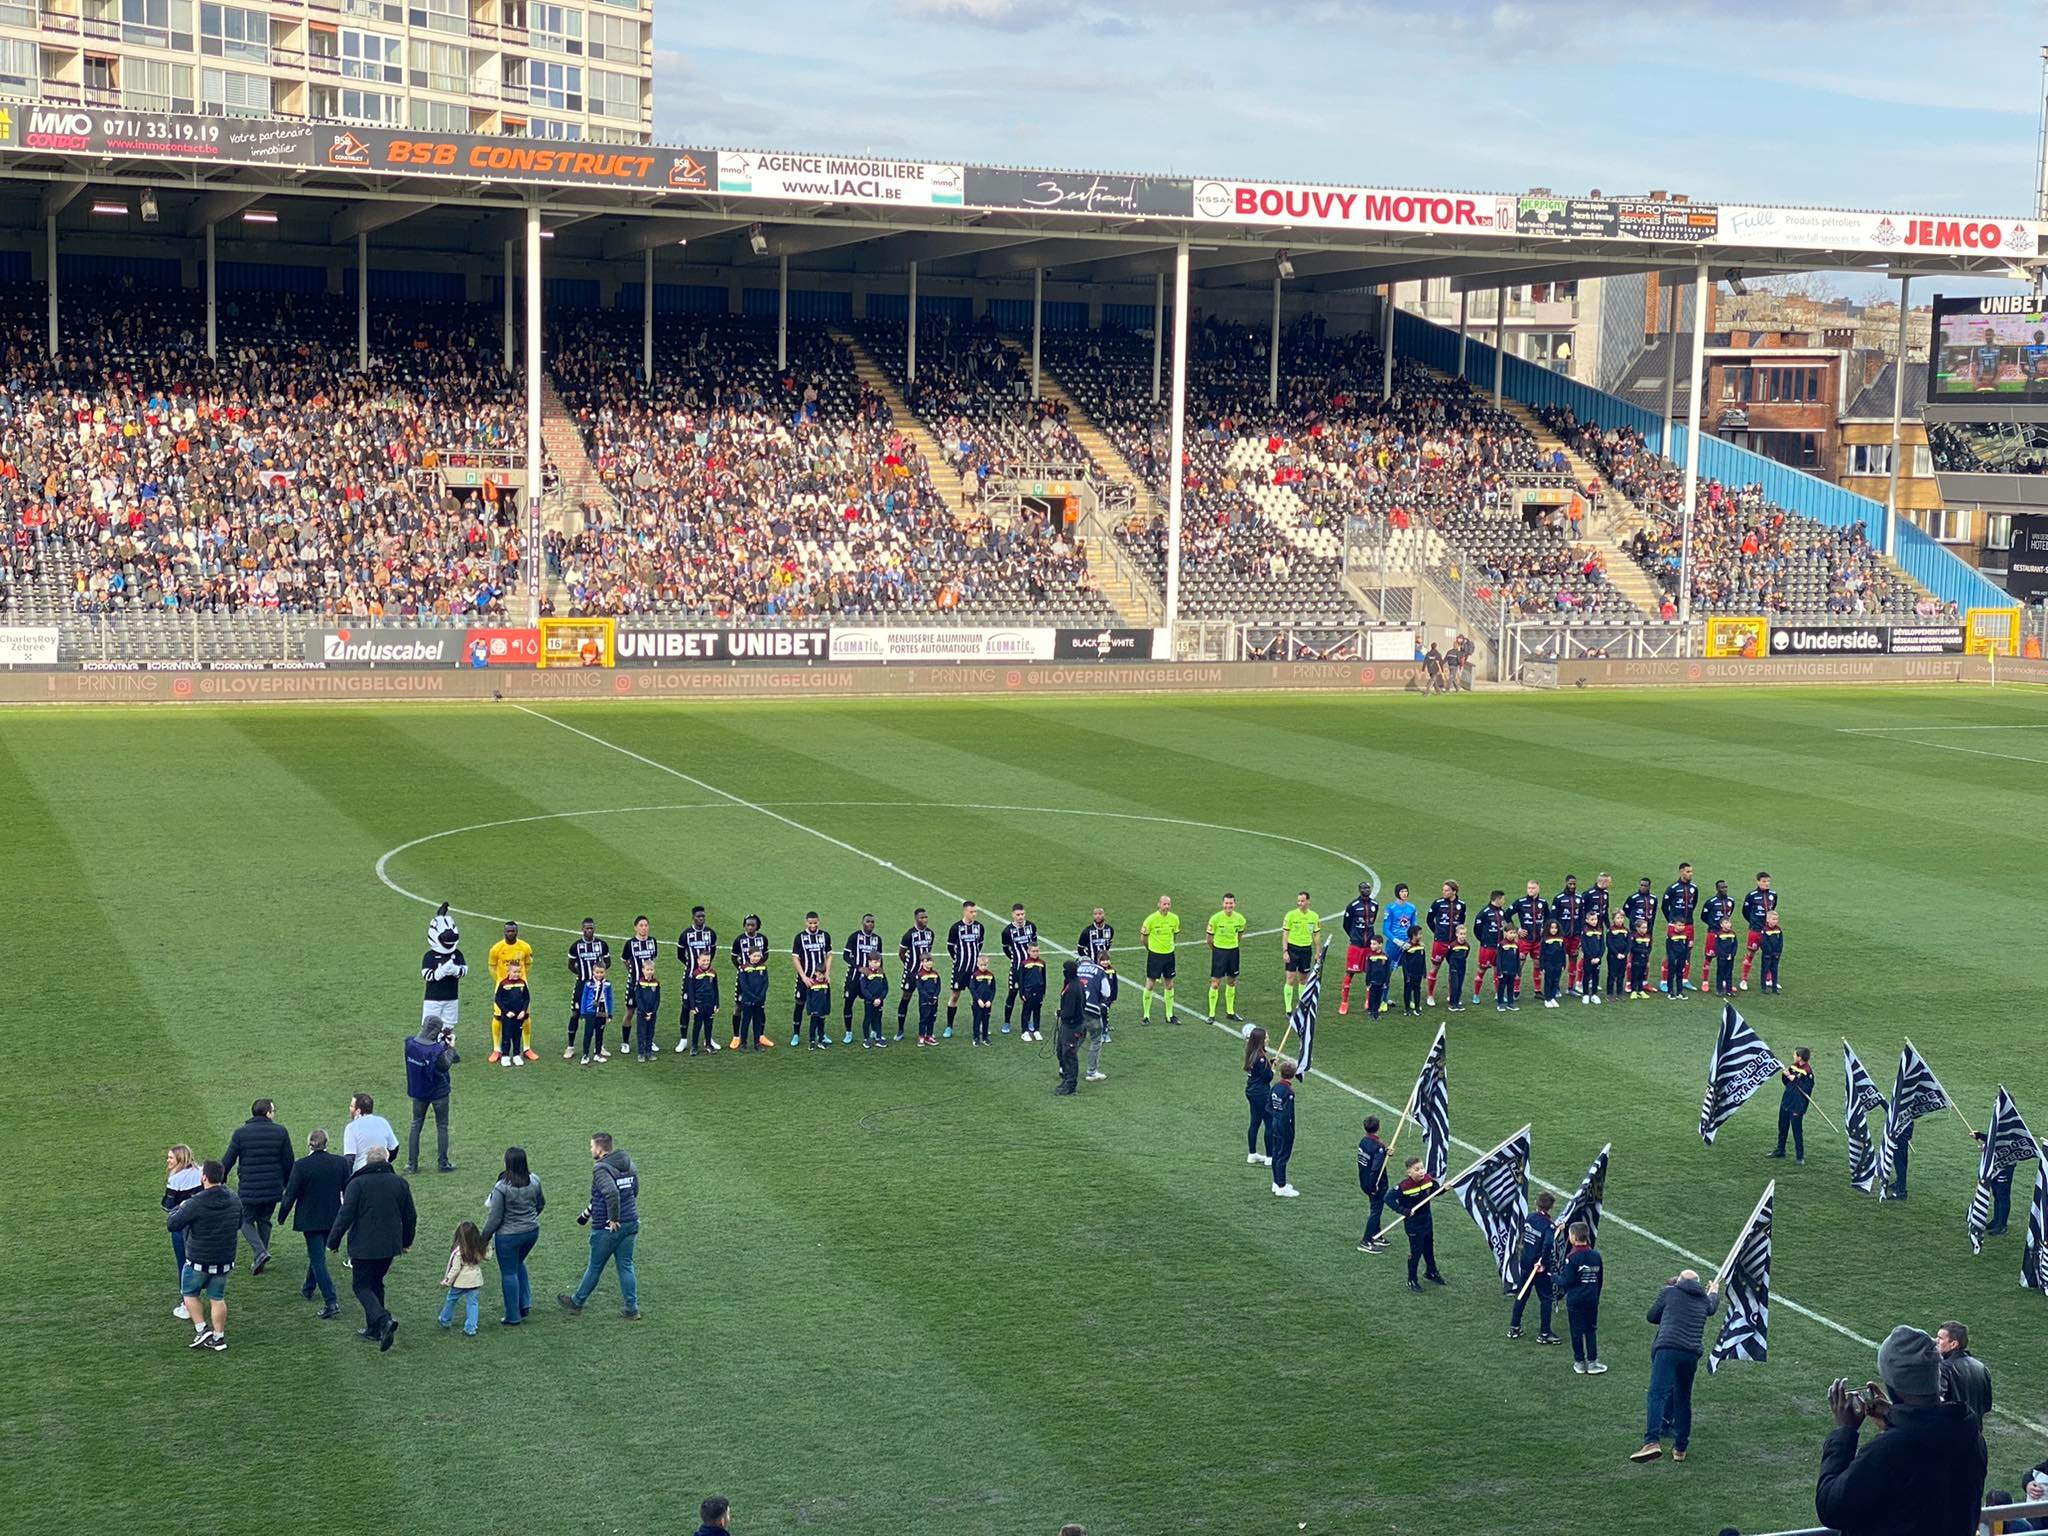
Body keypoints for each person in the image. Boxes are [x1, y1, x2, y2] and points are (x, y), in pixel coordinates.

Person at [1817, 1326, 1988, 1534]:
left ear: (1892, 1382)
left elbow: (1831, 1508)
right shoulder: (1968, 1433)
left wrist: (1845, 1432)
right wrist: (1896, 1418)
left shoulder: (1890, 1449)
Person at [326, 1142, 417, 1351]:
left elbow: (345, 1215)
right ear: (386, 1160)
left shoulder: (357, 1185)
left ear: (367, 1161)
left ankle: (383, 1319)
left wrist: (333, 1241)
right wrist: (406, 1242)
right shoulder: (399, 1183)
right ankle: (374, 1329)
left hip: (363, 1246)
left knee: (361, 1286)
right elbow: (410, 1216)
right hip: (389, 1247)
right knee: (377, 1282)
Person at [1631, 1269, 1721, 1463]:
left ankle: (1651, 1441)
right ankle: (1680, 1448)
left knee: (1657, 1394)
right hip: (1690, 1354)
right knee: (1683, 1398)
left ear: (1678, 1281)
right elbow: (1712, 1307)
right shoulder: (1704, 1300)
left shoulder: (1669, 1292)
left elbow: (1652, 1316)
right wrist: (1714, 1291)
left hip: (1667, 1348)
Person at [559, 1133, 641, 1320]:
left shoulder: (601, 1169)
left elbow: (611, 1193)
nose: (590, 1150)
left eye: (591, 1147)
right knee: (626, 1266)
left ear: (600, 1149)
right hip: (631, 1222)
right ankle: (632, 1308)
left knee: (595, 1266)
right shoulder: (628, 1162)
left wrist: (613, 1218)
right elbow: (634, 1189)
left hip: (609, 1227)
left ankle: (577, 1302)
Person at [168, 1159, 241, 1352]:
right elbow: (239, 1223)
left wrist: (181, 1206)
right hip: (225, 1258)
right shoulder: (234, 1199)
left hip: (199, 1259)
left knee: (189, 1293)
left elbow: (173, 1224)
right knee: (217, 1297)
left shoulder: (196, 1202)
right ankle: (219, 1337)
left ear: (204, 1177)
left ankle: (202, 1329)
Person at [276, 1128, 347, 1319]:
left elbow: (291, 1193)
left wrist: (282, 1215)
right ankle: (308, 1288)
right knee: (317, 1254)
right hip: (333, 1218)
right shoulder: (340, 1163)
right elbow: (347, 1189)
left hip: (310, 1220)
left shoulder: (301, 1165)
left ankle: (330, 1301)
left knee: (317, 1259)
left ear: (309, 1144)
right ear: (327, 1143)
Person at [220, 1098, 294, 1275]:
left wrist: (219, 1180)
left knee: (244, 1220)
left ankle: (260, 1253)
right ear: (268, 1113)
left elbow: (228, 1160)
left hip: (249, 1188)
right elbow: (288, 1161)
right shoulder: (280, 1132)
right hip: (273, 1188)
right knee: (264, 1220)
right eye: (273, 1111)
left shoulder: (241, 1133)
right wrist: (287, 1184)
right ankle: (260, 1256)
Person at [480, 1146, 545, 1326]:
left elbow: (495, 1218)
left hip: (508, 1237)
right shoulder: (534, 1181)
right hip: (531, 1232)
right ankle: (524, 1303)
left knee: (509, 1272)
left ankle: (512, 1315)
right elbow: (541, 1204)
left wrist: (483, 1238)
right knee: (518, 1263)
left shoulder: (501, 1188)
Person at [404, 1018, 459, 1173]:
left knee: (416, 1125)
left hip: (418, 1090)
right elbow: (444, 1066)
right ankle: (443, 1163)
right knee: (442, 1126)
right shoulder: (435, 1050)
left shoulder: (409, 1044)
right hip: (438, 1092)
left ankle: (411, 1164)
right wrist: (451, 1048)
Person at [1509, 1191, 1560, 1344]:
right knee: (1546, 1298)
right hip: (1539, 1268)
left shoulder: (1530, 1218)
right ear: (1551, 1207)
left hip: (1525, 1262)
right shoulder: (1548, 1226)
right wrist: (1543, 1263)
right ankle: (1544, 1333)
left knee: (1522, 1294)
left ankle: (1514, 1327)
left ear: (1536, 1203)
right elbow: (1548, 1244)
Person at [1390, 1157, 1444, 1290]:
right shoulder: (1403, 1186)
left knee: (1429, 1248)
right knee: (1416, 1252)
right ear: (1409, 1172)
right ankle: (1411, 1279)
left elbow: (1436, 1191)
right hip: (1414, 1224)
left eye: (1422, 1168)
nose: (1421, 1172)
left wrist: (1445, 1188)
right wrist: (1403, 1210)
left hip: (1427, 1220)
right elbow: (1388, 1199)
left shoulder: (1428, 1180)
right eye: (1417, 1169)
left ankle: (1431, 1272)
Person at [1560, 1220, 1607, 1374]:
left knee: (1576, 1331)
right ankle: (1593, 1362)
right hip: (1591, 1299)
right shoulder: (1595, 1255)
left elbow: (1567, 1281)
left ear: (1573, 1237)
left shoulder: (1572, 1258)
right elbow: (1600, 1279)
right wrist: (1596, 1295)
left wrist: (1553, 1276)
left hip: (1575, 1300)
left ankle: (1580, 1362)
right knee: (1590, 1330)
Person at [488, 919, 538, 1061]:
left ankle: (527, 1048)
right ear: (504, 932)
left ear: (517, 931)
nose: (510, 933)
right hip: (503, 987)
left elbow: (528, 964)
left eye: (513, 931)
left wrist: (520, 978)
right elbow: (492, 966)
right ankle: (497, 1049)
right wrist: (500, 980)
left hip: (521, 987)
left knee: (525, 1016)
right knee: (498, 1016)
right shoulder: (496, 949)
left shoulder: (525, 947)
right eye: (508, 931)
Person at [565, 917, 611, 1060]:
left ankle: (599, 1046)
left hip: (598, 987)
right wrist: (582, 975)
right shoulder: (576, 946)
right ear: (582, 929)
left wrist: (599, 975)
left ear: (594, 928)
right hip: (582, 985)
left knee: (600, 1014)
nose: (589, 930)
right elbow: (570, 964)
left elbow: (607, 962)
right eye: (586, 928)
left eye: (591, 928)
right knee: (575, 1014)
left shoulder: (602, 945)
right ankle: (570, 1046)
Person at [163, 1145, 202, 1309]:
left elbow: (168, 1205)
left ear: (180, 1159)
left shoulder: (175, 1179)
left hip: (181, 1225)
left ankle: (187, 1303)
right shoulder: (201, 1171)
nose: (168, 1160)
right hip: (200, 1224)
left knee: (183, 1263)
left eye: (171, 1157)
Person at [421, 901, 467, 1036]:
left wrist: (455, 970)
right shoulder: (430, 955)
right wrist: (440, 972)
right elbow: (426, 975)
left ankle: (446, 1050)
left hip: (451, 996)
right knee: (430, 1025)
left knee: (448, 1026)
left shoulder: (457, 954)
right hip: (433, 997)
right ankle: (430, 1050)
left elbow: (464, 970)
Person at [792, 911, 834, 1049]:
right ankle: (796, 1034)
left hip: (821, 979)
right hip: (805, 979)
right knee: (800, 1003)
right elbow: (795, 958)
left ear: (819, 922)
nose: (813, 925)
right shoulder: (800, 937)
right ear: (806, 922)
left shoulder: (825, 936)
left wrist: (827, 973)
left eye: (815, 923)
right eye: (810, 923)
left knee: (821, 1006)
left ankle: (821, 1035)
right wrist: (803, 977)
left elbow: (829, 955)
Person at [1937, 1321, 1994, 1420]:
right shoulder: (1981, 1367)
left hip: (1950, 1431)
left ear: (1953, 1344)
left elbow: (1937, 1403)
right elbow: (1987, 1405)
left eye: (1940, 1338)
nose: (1936, 1341)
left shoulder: (1943, 1368)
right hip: (1975, 1431)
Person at [944, 901, 984, 1040]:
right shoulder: (956, 928)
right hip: (960, 969)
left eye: (975, 911)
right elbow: (950, 946)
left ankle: (978, 1025)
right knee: (955, 996)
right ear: (965, 912)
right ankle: (949, 1026)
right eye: (971, 912)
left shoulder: (979, 927)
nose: (974, 914)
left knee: (976, 997)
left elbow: (980, 944)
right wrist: (957, 959)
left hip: (975, 970)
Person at [438, 1221, 486, 1337]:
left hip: (460, 1283)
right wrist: (487, 1245)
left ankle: (445, 1319)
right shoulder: (479, 1248)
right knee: (473, 1303)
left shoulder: (458, 1252)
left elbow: (454, 1269)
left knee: (451, 1299)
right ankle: (471, 1328)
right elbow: (488, 1256)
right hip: (475, 1281)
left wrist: (446, 1281)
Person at [731, 915, 771, 1050]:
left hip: (758, 976)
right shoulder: (739, 940)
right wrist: (744, 969)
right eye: (747, 925)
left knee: (760, 1009)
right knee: (738, 1007)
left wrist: (757, 967)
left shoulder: (763, 939)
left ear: (757, 926)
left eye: (752, 925)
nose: (749, 927)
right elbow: (733, 957)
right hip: (744, 977)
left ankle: (760, 1036)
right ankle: (737, 1037)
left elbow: (766, 955)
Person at [841, 913, 882, 1045]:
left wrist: (881, 974)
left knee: (873, 1004)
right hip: (854, 977)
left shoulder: (877, 939)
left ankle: (874, 1030)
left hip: (871, 980)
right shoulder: (854, 937)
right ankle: (848, 1032)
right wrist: (859, 968)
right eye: (868, 921)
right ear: (862, 923)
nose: (870, 924)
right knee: (848, 1003)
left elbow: (879, 959)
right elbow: (846, 956)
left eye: (872, 922)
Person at [1139, 894, 1180, 1024]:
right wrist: (1150, 949)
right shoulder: (1151, 919)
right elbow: (1143, 938)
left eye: (1168, 904)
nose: (1166, 906)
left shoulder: (1174, 919)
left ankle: (1169, 1015)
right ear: (1159, 904)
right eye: (1164, 904)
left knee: (1169, 984)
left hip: (1169, 955)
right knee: (1150, 984)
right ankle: (1146, 1016)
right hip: (1155, 956)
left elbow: (1174, 935)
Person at [1207, 893, 1247, 1022]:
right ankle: (1211, 1014)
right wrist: (1217, 950)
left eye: (1231, 903)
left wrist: (1233, 945)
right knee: (1215, 982)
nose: (1228, 905)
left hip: (1233, 952)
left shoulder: (1240, 919)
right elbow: (1209, 939)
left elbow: (1240, 935)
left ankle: (1230, 1011)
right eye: (1226, 903)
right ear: (1222, 904)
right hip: (1219, 952)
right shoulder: (1215, 919)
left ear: (1235, 904)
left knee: (1232, 981)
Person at [1339, 881, 1378, 1016]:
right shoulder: (1353, 906)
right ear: (1359, 890)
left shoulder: (1375, 905)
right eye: (1364, 888)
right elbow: (1346, 924)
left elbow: (1372, 923)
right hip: (1356, 945)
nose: (1366, 890)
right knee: (1350, 972)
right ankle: (1344, 1002)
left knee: (1370, 973)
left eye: (1368, 888)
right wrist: (1355, 936)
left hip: (1369, 946)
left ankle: (1368, 1000)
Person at [1424, 881, 1465, 1006]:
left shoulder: (1461, 905)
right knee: (1435, 967)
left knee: (1454, 969)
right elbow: (1429, 920)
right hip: (1440, 942)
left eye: (1447, 890)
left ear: (1454, 891)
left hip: (1454, 943)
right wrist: (1437, 932)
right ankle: (1430, 996)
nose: (1444, 892)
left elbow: (1462, 921)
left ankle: (1451, 995)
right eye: (1444, 890)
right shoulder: (1438, 904)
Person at [897, 907, 936, 1037]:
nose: (924, 920)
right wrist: (909, 966)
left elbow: (927, 952)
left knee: (924, 1000)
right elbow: (901, 953)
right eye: (921, 917)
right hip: (911, 973)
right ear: (916, 918)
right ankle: (900, 1029)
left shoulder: (930, 933)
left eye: (926, 917)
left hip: (926, 975)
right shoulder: (909, 935)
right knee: (906, 998)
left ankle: (925, 1031)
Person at [1773, 1048, 1815, 1164]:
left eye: (1795, 1054)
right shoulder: (1793, 1066)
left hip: (1797, 1105)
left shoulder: (1808, 1071)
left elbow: (1807, 1088)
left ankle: (1800, 1157)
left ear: (1800, 1057)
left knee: (1797, 1131)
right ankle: (1780, 1150)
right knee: (1782, 1127)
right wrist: (1785, 1075)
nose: (1793, 1055)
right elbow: (1787, 1083)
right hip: (1786, 1100)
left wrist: (1794, 1078)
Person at [1000, 903, 1037, 1034]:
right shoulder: (1007, 931)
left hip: (1030, 968)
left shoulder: (1031, 926)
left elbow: (1034, 944)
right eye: (1018, 915)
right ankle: (1006, 1022)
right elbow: (1005, 948)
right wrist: (1013, 958)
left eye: (1022, 914)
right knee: (1012, 994)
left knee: (1029, 996)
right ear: (1013, 915)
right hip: (1016, 968)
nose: (1020, 917)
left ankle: (1028, 1020)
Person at [1356, 1115, 1390, 1253]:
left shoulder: (1363, 1142)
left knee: (1374, 1208)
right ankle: (1367, 1240)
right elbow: (1376, 1168)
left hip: (1364, 1180)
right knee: (1376, 1210)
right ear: (1378, 1128)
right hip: (1375, 1184)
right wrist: (1374, 1185)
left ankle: (1377, 1234)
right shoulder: (1378, 1147)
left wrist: (1386, 1152)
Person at [1281, 892, 1320, 1013]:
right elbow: (1285, 935)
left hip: (1306, 950)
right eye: (1298, 901)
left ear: (1308, 901)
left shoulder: (1314, 916)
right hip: (1293, 949)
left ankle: (1301, 1005)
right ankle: (1288, 1008)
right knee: (1290, 978)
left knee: (1303, 978)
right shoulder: (1291, 915)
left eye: (1302, 901)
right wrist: (1285, 951)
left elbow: (1316, 935)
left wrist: (1318, 952)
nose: (1300, 903)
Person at [342, 1093, 399, 1173]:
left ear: (358, 1111)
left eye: (352, 1106)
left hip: (361, 1173)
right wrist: (386, 1161)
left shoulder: (351, 1127)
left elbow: (350, 1158)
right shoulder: (383, 1122)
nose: (350, 1108)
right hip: (383, 1171)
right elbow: (394, 1148)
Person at [1740, 872, 1778, 990]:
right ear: (1758, 882)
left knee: (1769, 954)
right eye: (1764, 881)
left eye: (1768, 881)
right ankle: (1744, 980)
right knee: (1751, 953)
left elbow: (1773, 909)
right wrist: (1753, 922)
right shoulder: (1751, 895)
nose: (1766, 884)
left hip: (1769, 931)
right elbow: (1745, 912)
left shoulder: (1773, 894)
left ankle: (1769, 979)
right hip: (1755, 930)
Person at [1268, 1059, 1299, 1197]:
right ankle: (1281, 1186)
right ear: (1292, 1075)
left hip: (1275, 1123)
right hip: (1284, 1126)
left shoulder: (1275, 1087)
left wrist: (1276, 1114)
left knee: (1276, 1153)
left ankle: (1276, 1182)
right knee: (1283, 1155)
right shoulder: (1288, 1092)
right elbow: (1287, 1113)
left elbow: (1268, 1106)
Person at [1053, 959, 1085, 1096]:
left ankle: (1071, 1085)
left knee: (1069, 1055)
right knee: (1061, 1052)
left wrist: (1062, 1013)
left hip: (1072, 1026)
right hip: (1068, 1025)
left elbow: (1070, 1011)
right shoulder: (1073, 984)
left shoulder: (1073, 987)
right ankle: (1066, 1079)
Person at [1243, 1026, 1274, 1166]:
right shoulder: (1261, 1058)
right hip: (1261, 1092)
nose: (1268, 1039)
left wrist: (1269, 1065)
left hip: (1252, 1091)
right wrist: (1272, 1069)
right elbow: (1267, 1077)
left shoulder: (1252, 1052)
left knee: (1255, 1121)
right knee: (1269, 1122)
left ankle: (1252, 1153)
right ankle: (1269, 1156)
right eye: (1266, 1037)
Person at [493, 960, 531, 1068]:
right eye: (514, 972)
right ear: (508, 972)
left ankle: (516, 1055)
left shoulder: (522, 984)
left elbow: (527, 998)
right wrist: (506, 1011)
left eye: (519, 972)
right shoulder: (503, 984)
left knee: (517, 1035)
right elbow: (498, 999)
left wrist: (523, 1011)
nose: (517, 974)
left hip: (519, 1015)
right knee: (506, 1035)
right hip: (508, 1016)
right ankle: (505, 1056)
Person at [1471, 889, 1507, 1004]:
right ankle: (1476, 995)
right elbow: (1477, 930)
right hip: (1487, 948)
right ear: (1497, 899)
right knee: (1481, 970)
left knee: (1498, 971)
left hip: (1499, 948)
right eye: (1502, 899)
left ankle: (1498, 993)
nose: (1504, 901)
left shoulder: (1502, 912)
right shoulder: (1484, 913)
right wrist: (1484, 940)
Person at [578, 960, 615, 1065]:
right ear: (593, 972)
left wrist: (610, 1013)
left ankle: (597, 1054)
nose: (599, 974)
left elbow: (610, 999)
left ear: (605, 972)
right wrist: (583, 1012)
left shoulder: (607, 984)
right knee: (588, 1033)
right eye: (597, 972)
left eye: (601, 972)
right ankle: (585, 1055)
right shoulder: (588, 984)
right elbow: (584, 998)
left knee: (600, 1033)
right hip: (590, 1012)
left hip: (602, 1012)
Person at [687, 955, 721, 1056]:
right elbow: (691, 991)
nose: (706, 962)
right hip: (699, 1004)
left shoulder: (713, 973)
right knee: (697, 1025)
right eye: (703, 960)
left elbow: (715, 989)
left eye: (708, 960)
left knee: (709, 1025)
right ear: (698, 961)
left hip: (710, 1004)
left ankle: (709, 1044)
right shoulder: (695, 973)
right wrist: (693, 1006)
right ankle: (694, 1046)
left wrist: (717, 1003)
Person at [633, 957, 663, 1063]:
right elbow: (638, 998)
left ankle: (649, 1052)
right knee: (641, 1032)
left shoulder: (656, 983)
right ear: (643, 970)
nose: (649, 972)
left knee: (650, 1032)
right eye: (647, 969)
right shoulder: (640, 983)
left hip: (652, 1013)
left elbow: (657, 999)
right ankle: (641, 1053)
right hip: (642, 1013)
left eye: (651, 970)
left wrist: (653, 1011)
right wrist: (645, 1011)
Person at [1016, 944, 1047, 1041]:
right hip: (1028, 991)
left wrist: (1043, 992)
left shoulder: (1042, 963)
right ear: (1029, 952)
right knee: (1026, 1012)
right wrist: (1022, 993)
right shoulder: (1024, 963)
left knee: (1037, 1011)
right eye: (1033, 951)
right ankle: (1024, 1031)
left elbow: (1044, 978)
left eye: (1037, 951)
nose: (1035, 953)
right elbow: (1021, 979)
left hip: (1039, 991)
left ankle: (1036, 1030)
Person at [1578, 912, 1607, 1005]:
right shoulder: (1585, 930)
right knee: (1586, 975)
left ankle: (1594, 994)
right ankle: (1586, 994)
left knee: (1596, 976)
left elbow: (1602, 945)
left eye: (1595, 919)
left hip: (1597, 959)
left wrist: (1599, 957)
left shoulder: (1600, 930)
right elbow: (1584, 945)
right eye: (1592, 919)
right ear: (1587, 920)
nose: (1594, 921)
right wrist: (1590, 957)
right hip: (1588, 958)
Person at [914, 955, 943, 1046]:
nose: (929, 963)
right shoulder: (920, 975)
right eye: (927, 961)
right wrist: (928, 997)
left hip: (934, 1000)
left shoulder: (935, 974)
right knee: (924, 1018)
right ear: (922, 962)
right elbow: (920, 989)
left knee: (932, 1018)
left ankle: (929, 1035)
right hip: (924, 1000)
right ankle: (921, 1036)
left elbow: (938, 986)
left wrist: (935, 996)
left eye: (931, 961)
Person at [968, 956, 997, 1045]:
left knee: (986, 1020)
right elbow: (972, 989)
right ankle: (976, 1038)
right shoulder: (975, 975)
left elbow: (993, 989)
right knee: (977, 1020)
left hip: (987, 1003)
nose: (983, 967)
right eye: (981, 965)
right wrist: (978, 1000)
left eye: (985, 965)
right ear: (977, 965)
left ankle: (985, 1038)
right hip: (978, 1003)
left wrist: (990, 1001)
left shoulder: (991, 976)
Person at [1442, 925, 1471, 1013]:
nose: (1463, 936)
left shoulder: (1467, 945)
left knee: (1460, 986)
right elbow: (1448, 955)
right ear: (1457, 934)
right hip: (1454, 967)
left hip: (1462, 967)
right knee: (1454, 985)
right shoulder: (1452, 945)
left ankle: (1457, 1002)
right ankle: (1452, 1003)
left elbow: (1466, 955)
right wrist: (1452, 964)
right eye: (1461, 934)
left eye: (1464, 934)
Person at [1399, 928, 1427, 1016]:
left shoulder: (1421, 946)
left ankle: (1417, 1008)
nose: (1421, 936)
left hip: (1418, 973)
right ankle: (1407, 1009)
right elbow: (1404, 962)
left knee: (1417, 990)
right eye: (1419, 934)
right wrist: (1406, 975)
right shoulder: (1407, 947)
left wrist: (1424, 971)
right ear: (1414, 936)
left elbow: (1423, 959)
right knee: (1407, 991)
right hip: (1410, 974)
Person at [1538, 921, 1566, 1008]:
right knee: (1548, 981)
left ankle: (1553, 997)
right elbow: (1542, 953)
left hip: (1558, 963)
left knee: (1556, 981)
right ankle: (1547, 998)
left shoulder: (1561, 939)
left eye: (1555, 928)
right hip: (1548, 963)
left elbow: (1563, 952)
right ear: (1548, 929)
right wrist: (1542, 966)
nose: (1554, 930)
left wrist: (1563, 964)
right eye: (1552, 928)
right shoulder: (1545, 940)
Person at [1364, 936, 1391, 1018]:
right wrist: (1367, 982)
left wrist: (1386, 981)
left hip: (1381, 981)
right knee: (1372, 997)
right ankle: (1370, 1011)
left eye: (1374, 944)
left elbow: (1387, 970)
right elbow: (1368, 970)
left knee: (1378, 997)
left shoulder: (1385, 957)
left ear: (1380, 945)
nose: (1372, 946)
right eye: (1371, 944)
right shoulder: (1370, 956)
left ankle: (1375, 1012)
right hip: (1372, 981)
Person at [1760, 911, 1785, 994]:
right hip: (1767, 954)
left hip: (1776, 954)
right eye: (1773, 919)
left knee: (1774, 970)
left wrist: (1778, 952)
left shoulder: (1778, 929)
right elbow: (1764, 943)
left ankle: (1774, 987)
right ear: (1768, 920)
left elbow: (1780, 942)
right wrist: (1769, 952)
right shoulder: (1765, 930)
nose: (1775, 921)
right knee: (1765, 970)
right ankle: (1763, 987)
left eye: (1776, 919)